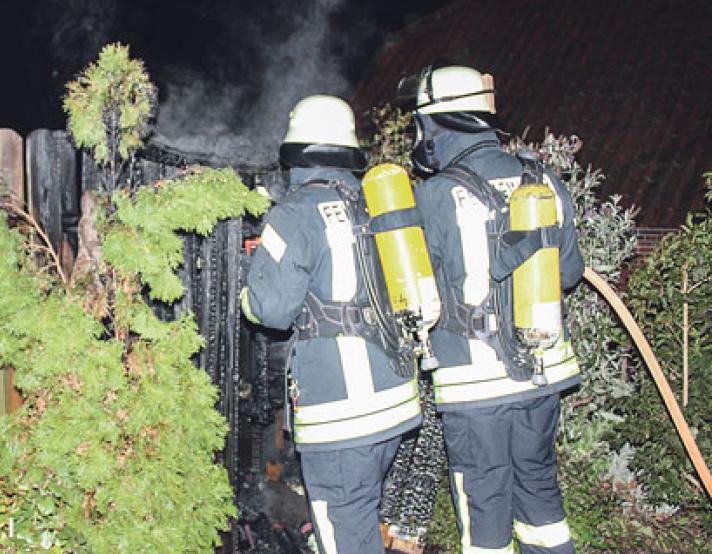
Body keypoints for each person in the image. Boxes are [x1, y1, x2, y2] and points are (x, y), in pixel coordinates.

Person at [397, 63, 584, 553]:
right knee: (540, 489)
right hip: (543, 370)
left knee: (484, 506)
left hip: (474, 385)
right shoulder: (542, 181)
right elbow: (567, 276)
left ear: (436, 123)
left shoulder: (433, 197)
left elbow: (418, 300)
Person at [241, 94, 422, 554]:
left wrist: (248, 292)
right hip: (396, 401)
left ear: (295, 150)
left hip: (344, 413)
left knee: (345, 537)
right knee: (360, 521)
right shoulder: (377, 202)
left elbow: (271, 311)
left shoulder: (293, 214)